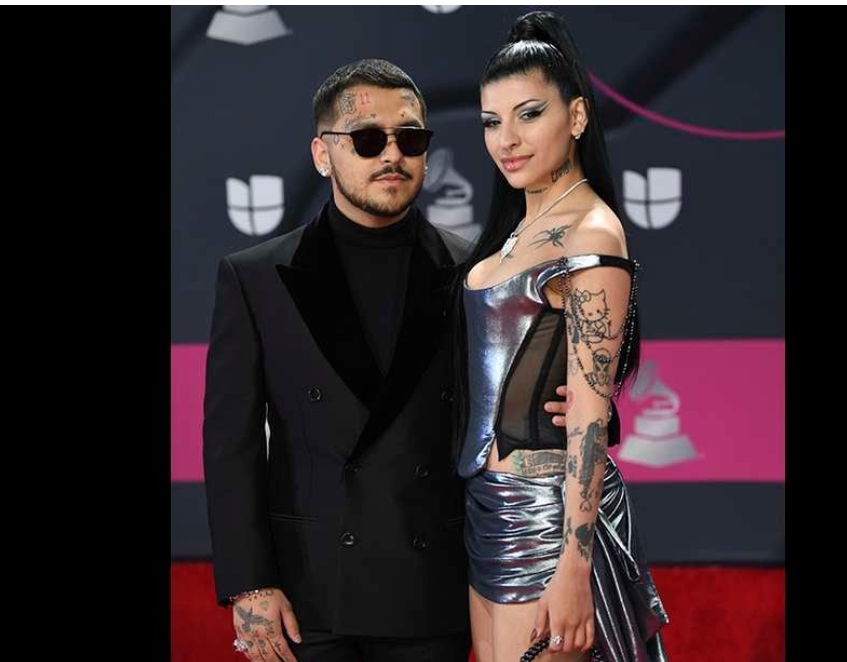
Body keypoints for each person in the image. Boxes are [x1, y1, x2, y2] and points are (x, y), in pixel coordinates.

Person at [202, 58, 571, 662]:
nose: (392, 155)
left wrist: (574, 409)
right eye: (369, 139)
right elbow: (231, 446)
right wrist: (249, 583)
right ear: (323, 154)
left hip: (431, 589)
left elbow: (516, 408)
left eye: (410, 139)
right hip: (309, 595)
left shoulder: (476, 275)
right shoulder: (255, 278)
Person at [453, 11, 671, 662]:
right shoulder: (514, 230)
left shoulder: (591, 232)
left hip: (551, 521)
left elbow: (588, 415)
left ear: (575, 117)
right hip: (487, 508)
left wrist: (574, 564)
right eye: (491, 121)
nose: (507, 139)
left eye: (529, 114)